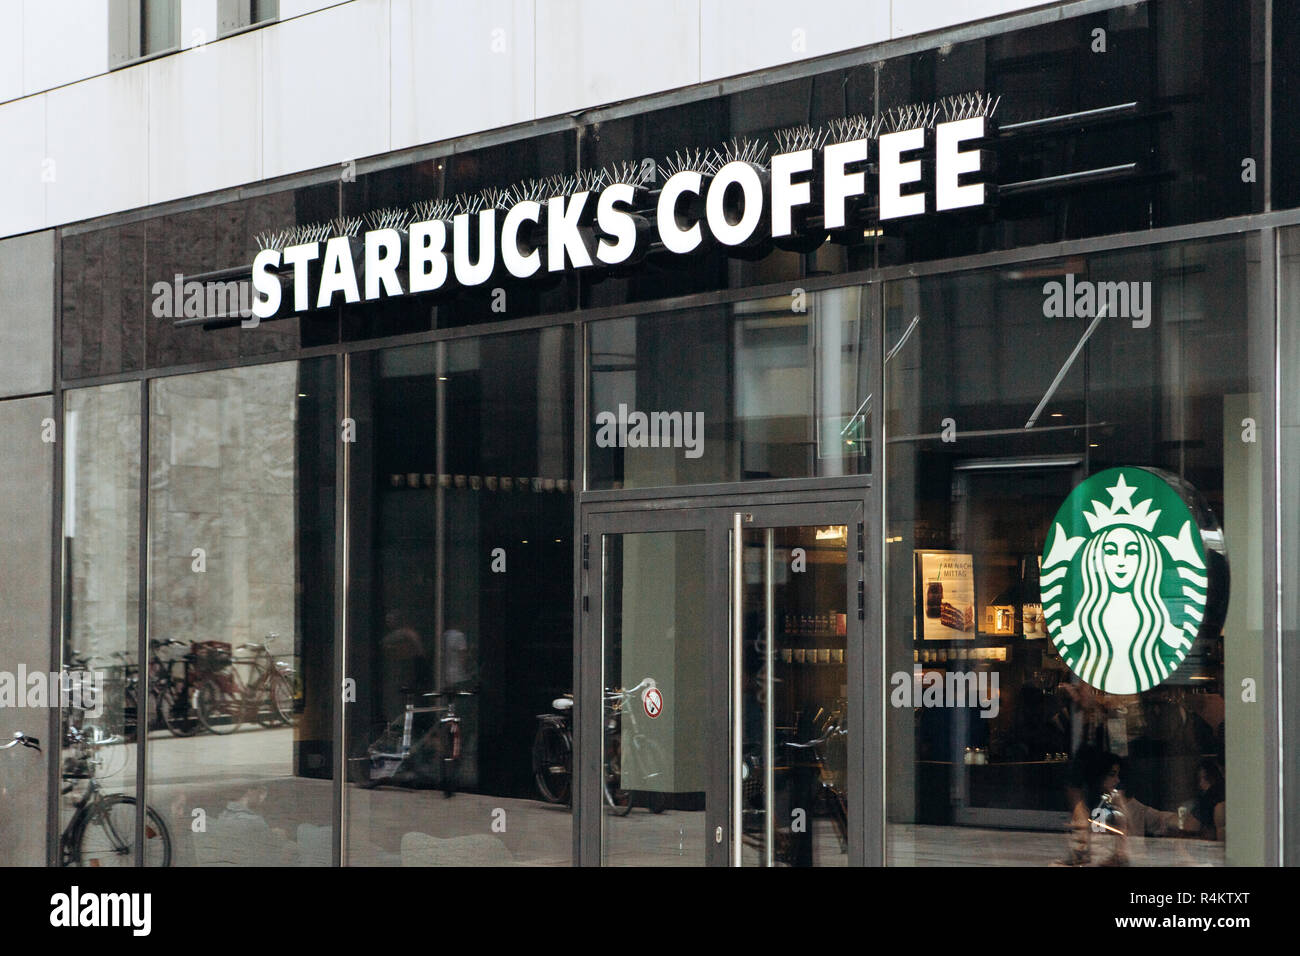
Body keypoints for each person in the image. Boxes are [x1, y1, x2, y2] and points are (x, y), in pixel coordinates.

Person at [1183, 758, 1226, 841]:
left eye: (1200, 779)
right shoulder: (1224, 792)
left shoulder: (1209, 798)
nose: (1200, 784)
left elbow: (1190, 826)